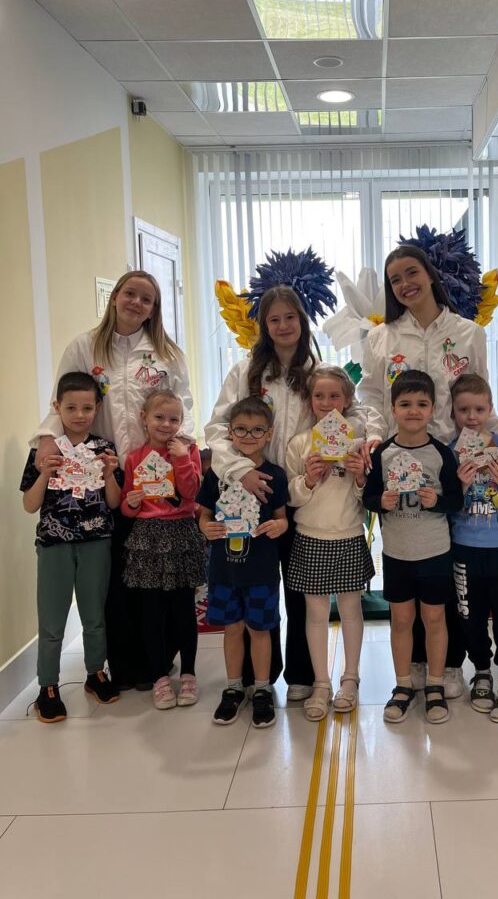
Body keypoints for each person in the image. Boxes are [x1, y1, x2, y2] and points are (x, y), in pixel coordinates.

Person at [32, 270, 194, 691]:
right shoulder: (84, 346)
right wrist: (46, 439)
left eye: (146, 299)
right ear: (115, 296)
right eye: (130, 294)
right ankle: (124, 666)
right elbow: (61, 400)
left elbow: (183, 408)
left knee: (157, 575)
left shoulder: (166, 354)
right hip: (102, 474)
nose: (136, 303)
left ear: (154, 309)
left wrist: (184, 456)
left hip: (154, 474)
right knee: (116, 578)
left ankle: (160, 661)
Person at [206, 286, 368, 700]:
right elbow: (217, 428)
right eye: (274, 319)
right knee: (254, 584)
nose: (283, 326)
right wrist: (243, 471)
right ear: (264, 325)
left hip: (301, 492)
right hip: (253, 492)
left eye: (290, 317)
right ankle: (253, 677)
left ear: (302, 320)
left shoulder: (316, 370)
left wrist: (368, 440)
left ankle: (301, 674)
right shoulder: (246, 371)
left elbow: (353, 411)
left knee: (300, 590)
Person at [360, 244, 498, 698]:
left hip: (453, 463)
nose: (405, 284)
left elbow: (479, 397)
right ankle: (417, 664)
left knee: (447, 568)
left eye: (411, 273)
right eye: (395, 280)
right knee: (408, 560)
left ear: (429, 274)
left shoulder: (467, 333)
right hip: (399, 462)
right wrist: (373, 435)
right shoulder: (381, 338)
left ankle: (451, 663)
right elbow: (370, 395)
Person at [20, 372, 122, 723]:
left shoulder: (104, 449)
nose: (80, 415)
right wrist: (45, 474)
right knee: (52, 619)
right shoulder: (44, 450)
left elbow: (113, 503)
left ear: (97, 408)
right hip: (54, 544)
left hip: (97, 541)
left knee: (94, 615)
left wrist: (109, 474)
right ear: (57, 407)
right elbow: (29, 505)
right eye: (71, 408)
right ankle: (47, 686)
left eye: (87, 408)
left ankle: (95, 673)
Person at [363, 371, 464, 725]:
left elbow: (456, 501)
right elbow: (368, 497)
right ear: (392, 409)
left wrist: (437, 501)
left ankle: (435, 684)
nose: (413, 411)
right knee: (402, 620)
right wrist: (381, 501)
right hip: (397, 554)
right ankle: (403, 684)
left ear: (433, 409)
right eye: (405, 404)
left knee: (435, 619)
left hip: (435, 552)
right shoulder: (383, 453)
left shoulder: (441, 454)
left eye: (422, 404)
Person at [285, 366, 374, 721]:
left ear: (347, 400)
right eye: (319, 396)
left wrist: (359, 476)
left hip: (349, 533)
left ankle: (350, 679)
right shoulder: (300, 443)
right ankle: (321, 683)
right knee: (316, 614)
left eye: (334, 395)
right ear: (309, 401)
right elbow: (291, 497)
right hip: (310, 535)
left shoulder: (358, 440)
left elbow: (367, 496)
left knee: (351, 610)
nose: (326, 402)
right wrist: (307, 480)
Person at [197, 397, 289, 729]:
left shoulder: (275, 475)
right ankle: (234, 687)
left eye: (257, 430)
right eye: (241, 429)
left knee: (260, 630)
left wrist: (279, 526)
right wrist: (206, 527)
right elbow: (204, 516)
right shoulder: (217, 474)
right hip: (224, 570)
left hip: (261, 571)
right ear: (230, 433)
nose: (249, 436)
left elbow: (282, 518)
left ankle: (262, 689)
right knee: (232, 629)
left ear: (269, 434)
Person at [448, 373, 498, 723]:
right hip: (464, 547)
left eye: (479, 409)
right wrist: (462, 485)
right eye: (463, 409)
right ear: (453, 411)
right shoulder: (450, 451)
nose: (471, 416)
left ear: (490, 409)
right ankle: (481, 670)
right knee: (471, 615)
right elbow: (447, 504)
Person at [121, 389, 206, 710]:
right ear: (144, 418)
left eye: (174, 419)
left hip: (182, 533)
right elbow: (128, 506)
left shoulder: (189, 451)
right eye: (159, 417)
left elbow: (191, 491)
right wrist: (131, 504)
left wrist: (182, 457)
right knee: (152, 612)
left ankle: (189, 674)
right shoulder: (134, 458)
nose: (166, 425)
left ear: (182, 422)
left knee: (184, 609)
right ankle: (159, 677)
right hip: (148, 538)